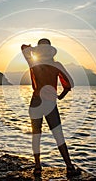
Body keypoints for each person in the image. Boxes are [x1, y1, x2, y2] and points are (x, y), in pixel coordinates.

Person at [21, 38, 81, 177]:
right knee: (58, 135)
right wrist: (61, 96)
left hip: (35, 102)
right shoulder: (56, 65)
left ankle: (37, 167)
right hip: (49, 104)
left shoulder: (34, 62)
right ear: (50, 51)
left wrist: (32, 49)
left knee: (36, 135)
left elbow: (23, 48)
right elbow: (70, 83)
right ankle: (69, 167)